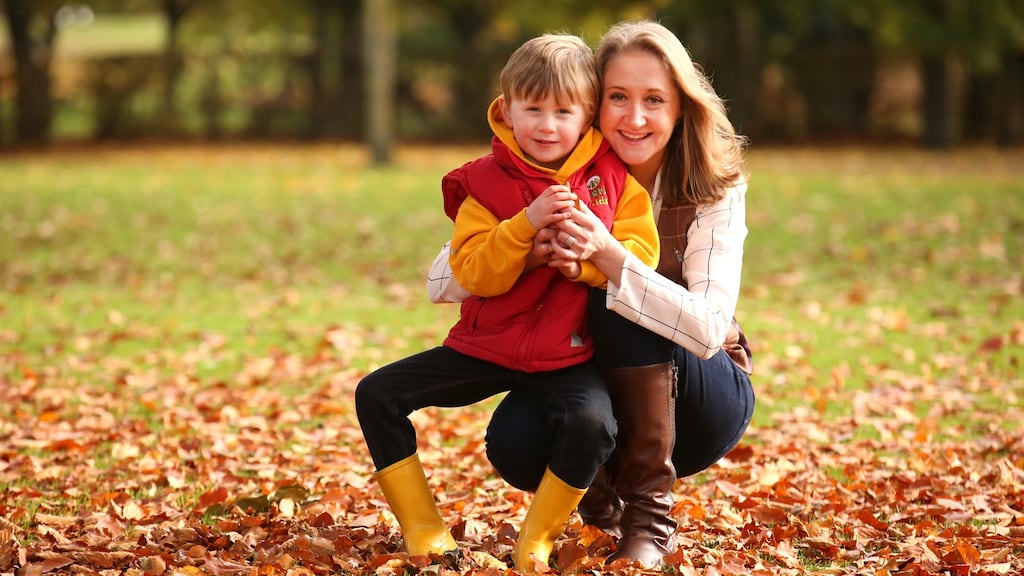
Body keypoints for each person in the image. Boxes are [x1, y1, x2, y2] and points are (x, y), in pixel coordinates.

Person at [427, 20, 755, 568]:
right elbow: (443, 279)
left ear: (680, 109)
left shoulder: (713, 189)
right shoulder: (548, 174)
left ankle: (650, 518)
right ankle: (600, 504)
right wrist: (527, 244)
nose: (634, 118)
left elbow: (708, 330)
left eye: (655, 99)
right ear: (589, 103)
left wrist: (609, 257)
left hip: (703, 400)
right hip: (591, 387)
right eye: (617, 98)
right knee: (512, 442)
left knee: (618, 296)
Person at [356, 33, 659, 572]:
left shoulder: (612, 181)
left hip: (567, 353)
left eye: (563, 111)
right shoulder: (483, 182)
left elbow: (641, 255)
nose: (547, 125)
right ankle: (423, 526)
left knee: (595, 425)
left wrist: (585, 263)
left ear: (587, 115)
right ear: (507, 110)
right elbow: (471, 269)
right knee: (377, 393)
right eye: (533, 109)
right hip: (487, 344)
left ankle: (538, 538)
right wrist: (525, 227)